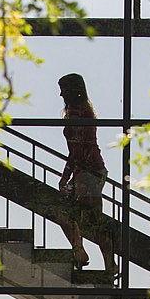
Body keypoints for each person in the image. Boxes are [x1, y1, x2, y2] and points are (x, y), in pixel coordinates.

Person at [55, 73, 116, 273]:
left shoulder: (77, 113)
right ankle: (102, 260)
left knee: (73, 215)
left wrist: (66, 178)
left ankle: (83, 252)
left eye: (63, 89)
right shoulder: (83, 111)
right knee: (87, 219)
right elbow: (77, 151)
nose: (61, 93)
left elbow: (77, 151)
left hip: (88, 172)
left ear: (72, 90)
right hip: (90, 171)